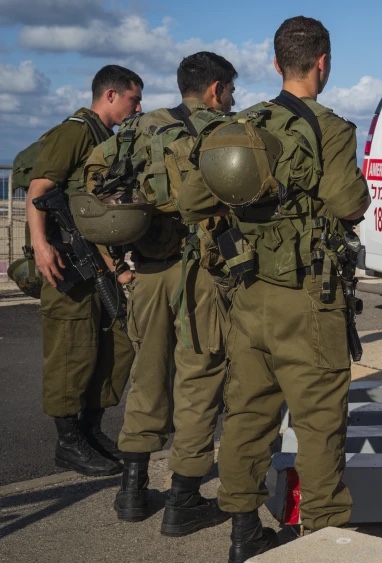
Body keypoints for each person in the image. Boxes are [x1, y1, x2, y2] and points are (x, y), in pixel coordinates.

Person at [180, 16, 370, 563]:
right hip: (308, 299)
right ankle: (325, 537)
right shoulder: (330, 127)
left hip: (247, 293)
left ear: (274, 62)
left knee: (247, 413)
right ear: (324, 63)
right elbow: (347, 204)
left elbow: (193, 203)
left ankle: (244, 531)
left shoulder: (235, 125)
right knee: (320, 422)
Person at [84, 51, 238, 535]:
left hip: (146, 273)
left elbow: (91, 185)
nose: (232, 100)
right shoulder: (223, 131)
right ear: (215, 89)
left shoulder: (136, 128)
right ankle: (184, 499)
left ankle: (131, 491)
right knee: (199, 380)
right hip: (202, 276)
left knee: (146, 377)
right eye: (229, 91)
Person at [25, 65, 142, 477]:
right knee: (71, 352)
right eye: (133, 98)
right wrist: (41, 246)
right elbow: (39, 190)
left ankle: (91, 431)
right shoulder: (75, 131)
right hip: (66, 263)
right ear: (110, 95)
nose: (138, 106)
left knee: (114, 346)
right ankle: (68, 442)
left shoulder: (103, 138)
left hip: (95, 263)